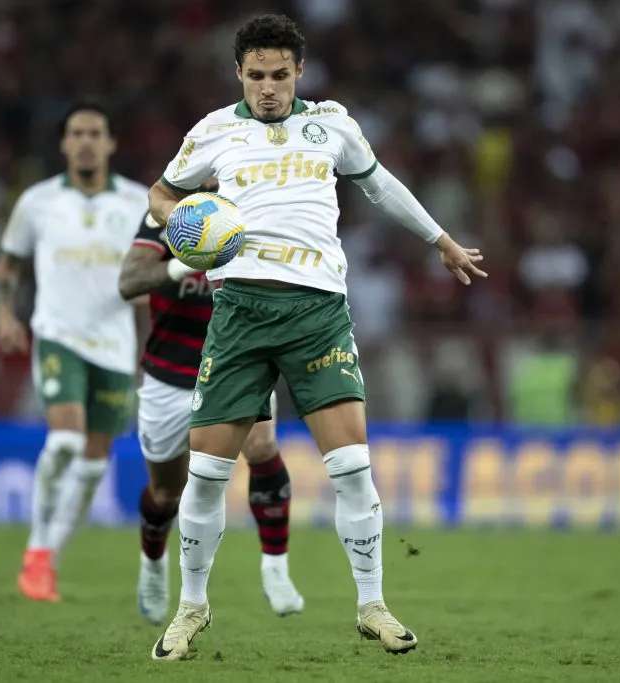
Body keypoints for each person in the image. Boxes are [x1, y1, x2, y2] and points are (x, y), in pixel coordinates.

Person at [145, 14, 486, 660]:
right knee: (210, 474)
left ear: (299, 72)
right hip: (240, 311)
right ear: (238, 74)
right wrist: (188, 218)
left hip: (318, 313)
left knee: (353, 466)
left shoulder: (331, 124)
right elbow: (161, 195)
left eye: (279, 74)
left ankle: (372, 605)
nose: (268, 87)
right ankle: (191, 606)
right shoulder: (213, 131)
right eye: (255, 76)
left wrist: (439, 240)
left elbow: (379, 185)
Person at [116, 197, 304, 625]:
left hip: (236, 363)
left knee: (262, 445)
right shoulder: (164, 215)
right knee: (167, 494)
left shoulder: (255, 205)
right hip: (168, 374)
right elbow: (128, 282)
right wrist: (186, 262)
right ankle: (152, 561)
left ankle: (276, 568)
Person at [0, 101, 148, 602]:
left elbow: (158, 268)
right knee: (63, 442)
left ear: (110, 143)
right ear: (63, 143)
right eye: (76, 132)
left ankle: (47, 562)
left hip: (115, 345)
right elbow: (8, 265)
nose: (85, 141)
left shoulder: (137, 202)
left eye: (95, 132)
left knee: (93, 464)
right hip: (58, 334)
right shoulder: (36, 203)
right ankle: (36, 551)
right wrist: (5, 315)